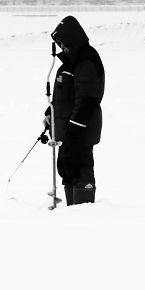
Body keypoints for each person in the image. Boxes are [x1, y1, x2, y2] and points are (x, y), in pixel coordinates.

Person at [43, 15, 105, 205]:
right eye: (59, 44)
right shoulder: (71, 63)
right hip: (67, 131)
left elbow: (88, 99)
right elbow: (65, 97)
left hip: (80, 131)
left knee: (81, 169)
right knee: (67, 168)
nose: (62, 47)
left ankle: (82, 213)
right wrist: (49, 113)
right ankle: (70, 213)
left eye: (64, 43)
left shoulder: (86, 61)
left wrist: (75, 129)